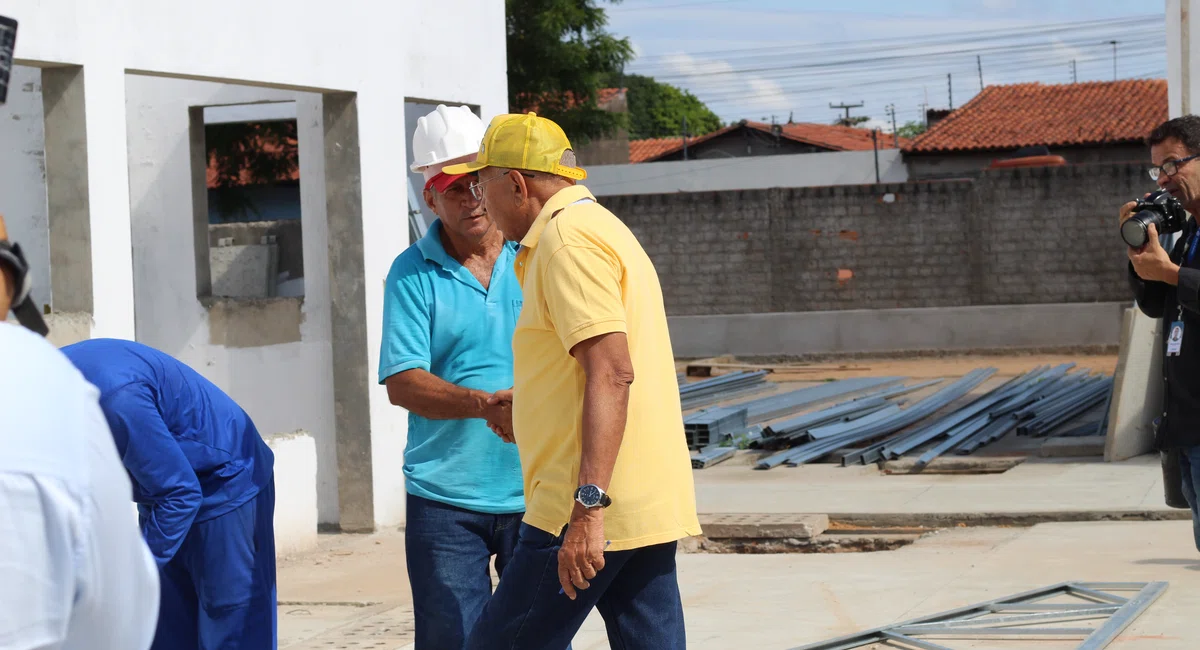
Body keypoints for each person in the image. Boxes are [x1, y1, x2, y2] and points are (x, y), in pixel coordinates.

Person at [444, 112, 702, 650]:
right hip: (638, 498)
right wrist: (536, 402)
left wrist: (586, 510)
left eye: (481, 185)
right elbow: (595, 366)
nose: (480, 202)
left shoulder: (565, 243)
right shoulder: (599, 226)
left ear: (515, 183)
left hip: (583, 506)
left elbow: (612, 370)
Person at [379, 104, 527, 649]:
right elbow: (403, 382)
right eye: (453, 187)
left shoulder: (534, 254)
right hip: (445, 498)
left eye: (476, 182)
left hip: (536, 490)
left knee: (533, 642)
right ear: (429, 197)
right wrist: (484, 404)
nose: (471, 198)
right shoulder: (410, 273)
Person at [0, 215, 161, 650]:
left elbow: (180, 488)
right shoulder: (49, 381)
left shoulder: (91, 386)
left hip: (228, 481)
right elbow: (119, 622)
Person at [60, 338, 277, 650]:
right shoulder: (40, 396)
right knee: (167, 634)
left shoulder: (116, 399)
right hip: (160, 492)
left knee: (232, 629)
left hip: (227, 484)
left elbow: (180, 493)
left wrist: (131, 574)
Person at [1124, 114, 1200, 553]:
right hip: (1187, 427)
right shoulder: (1188, 229)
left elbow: (1175, 283)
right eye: (1158, 170)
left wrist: (1172, 274)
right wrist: (1141, 256)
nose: (1165, 179)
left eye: (1173, 164)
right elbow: (1156, 305)